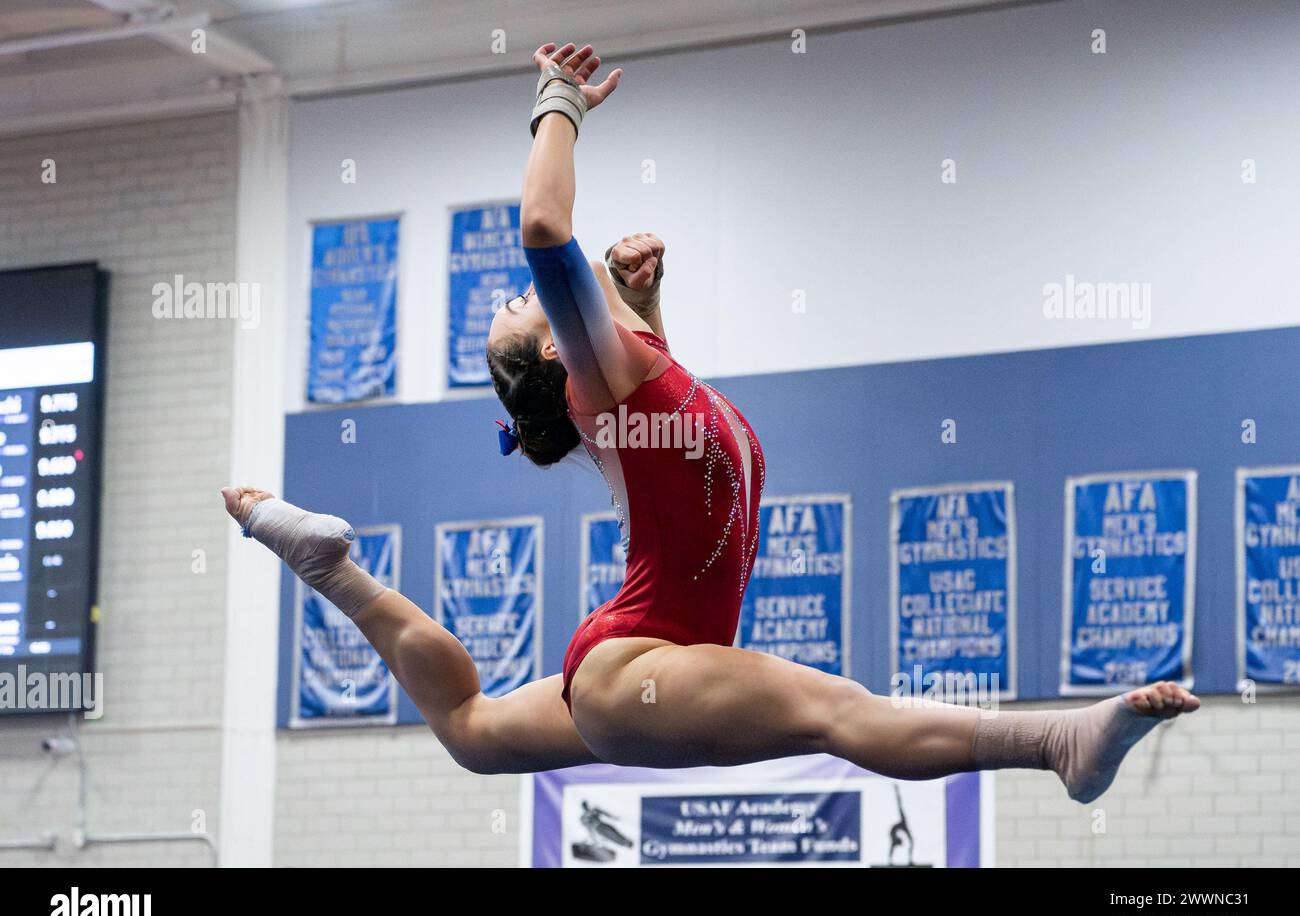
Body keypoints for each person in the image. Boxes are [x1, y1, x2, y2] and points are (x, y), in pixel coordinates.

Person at [223, 41, 1198, 802]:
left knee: (473, 732)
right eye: (522, 313)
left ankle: (323, 563)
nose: (523, 299)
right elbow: (542, 229)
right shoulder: (594, 378)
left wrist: (645, 305)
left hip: (630, 668)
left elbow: (668, 445)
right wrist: (557, 104)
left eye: (515, 302)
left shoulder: (635, 377)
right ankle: (1055, 742)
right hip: (635, 667)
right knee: (833, 710)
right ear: (557, 349)